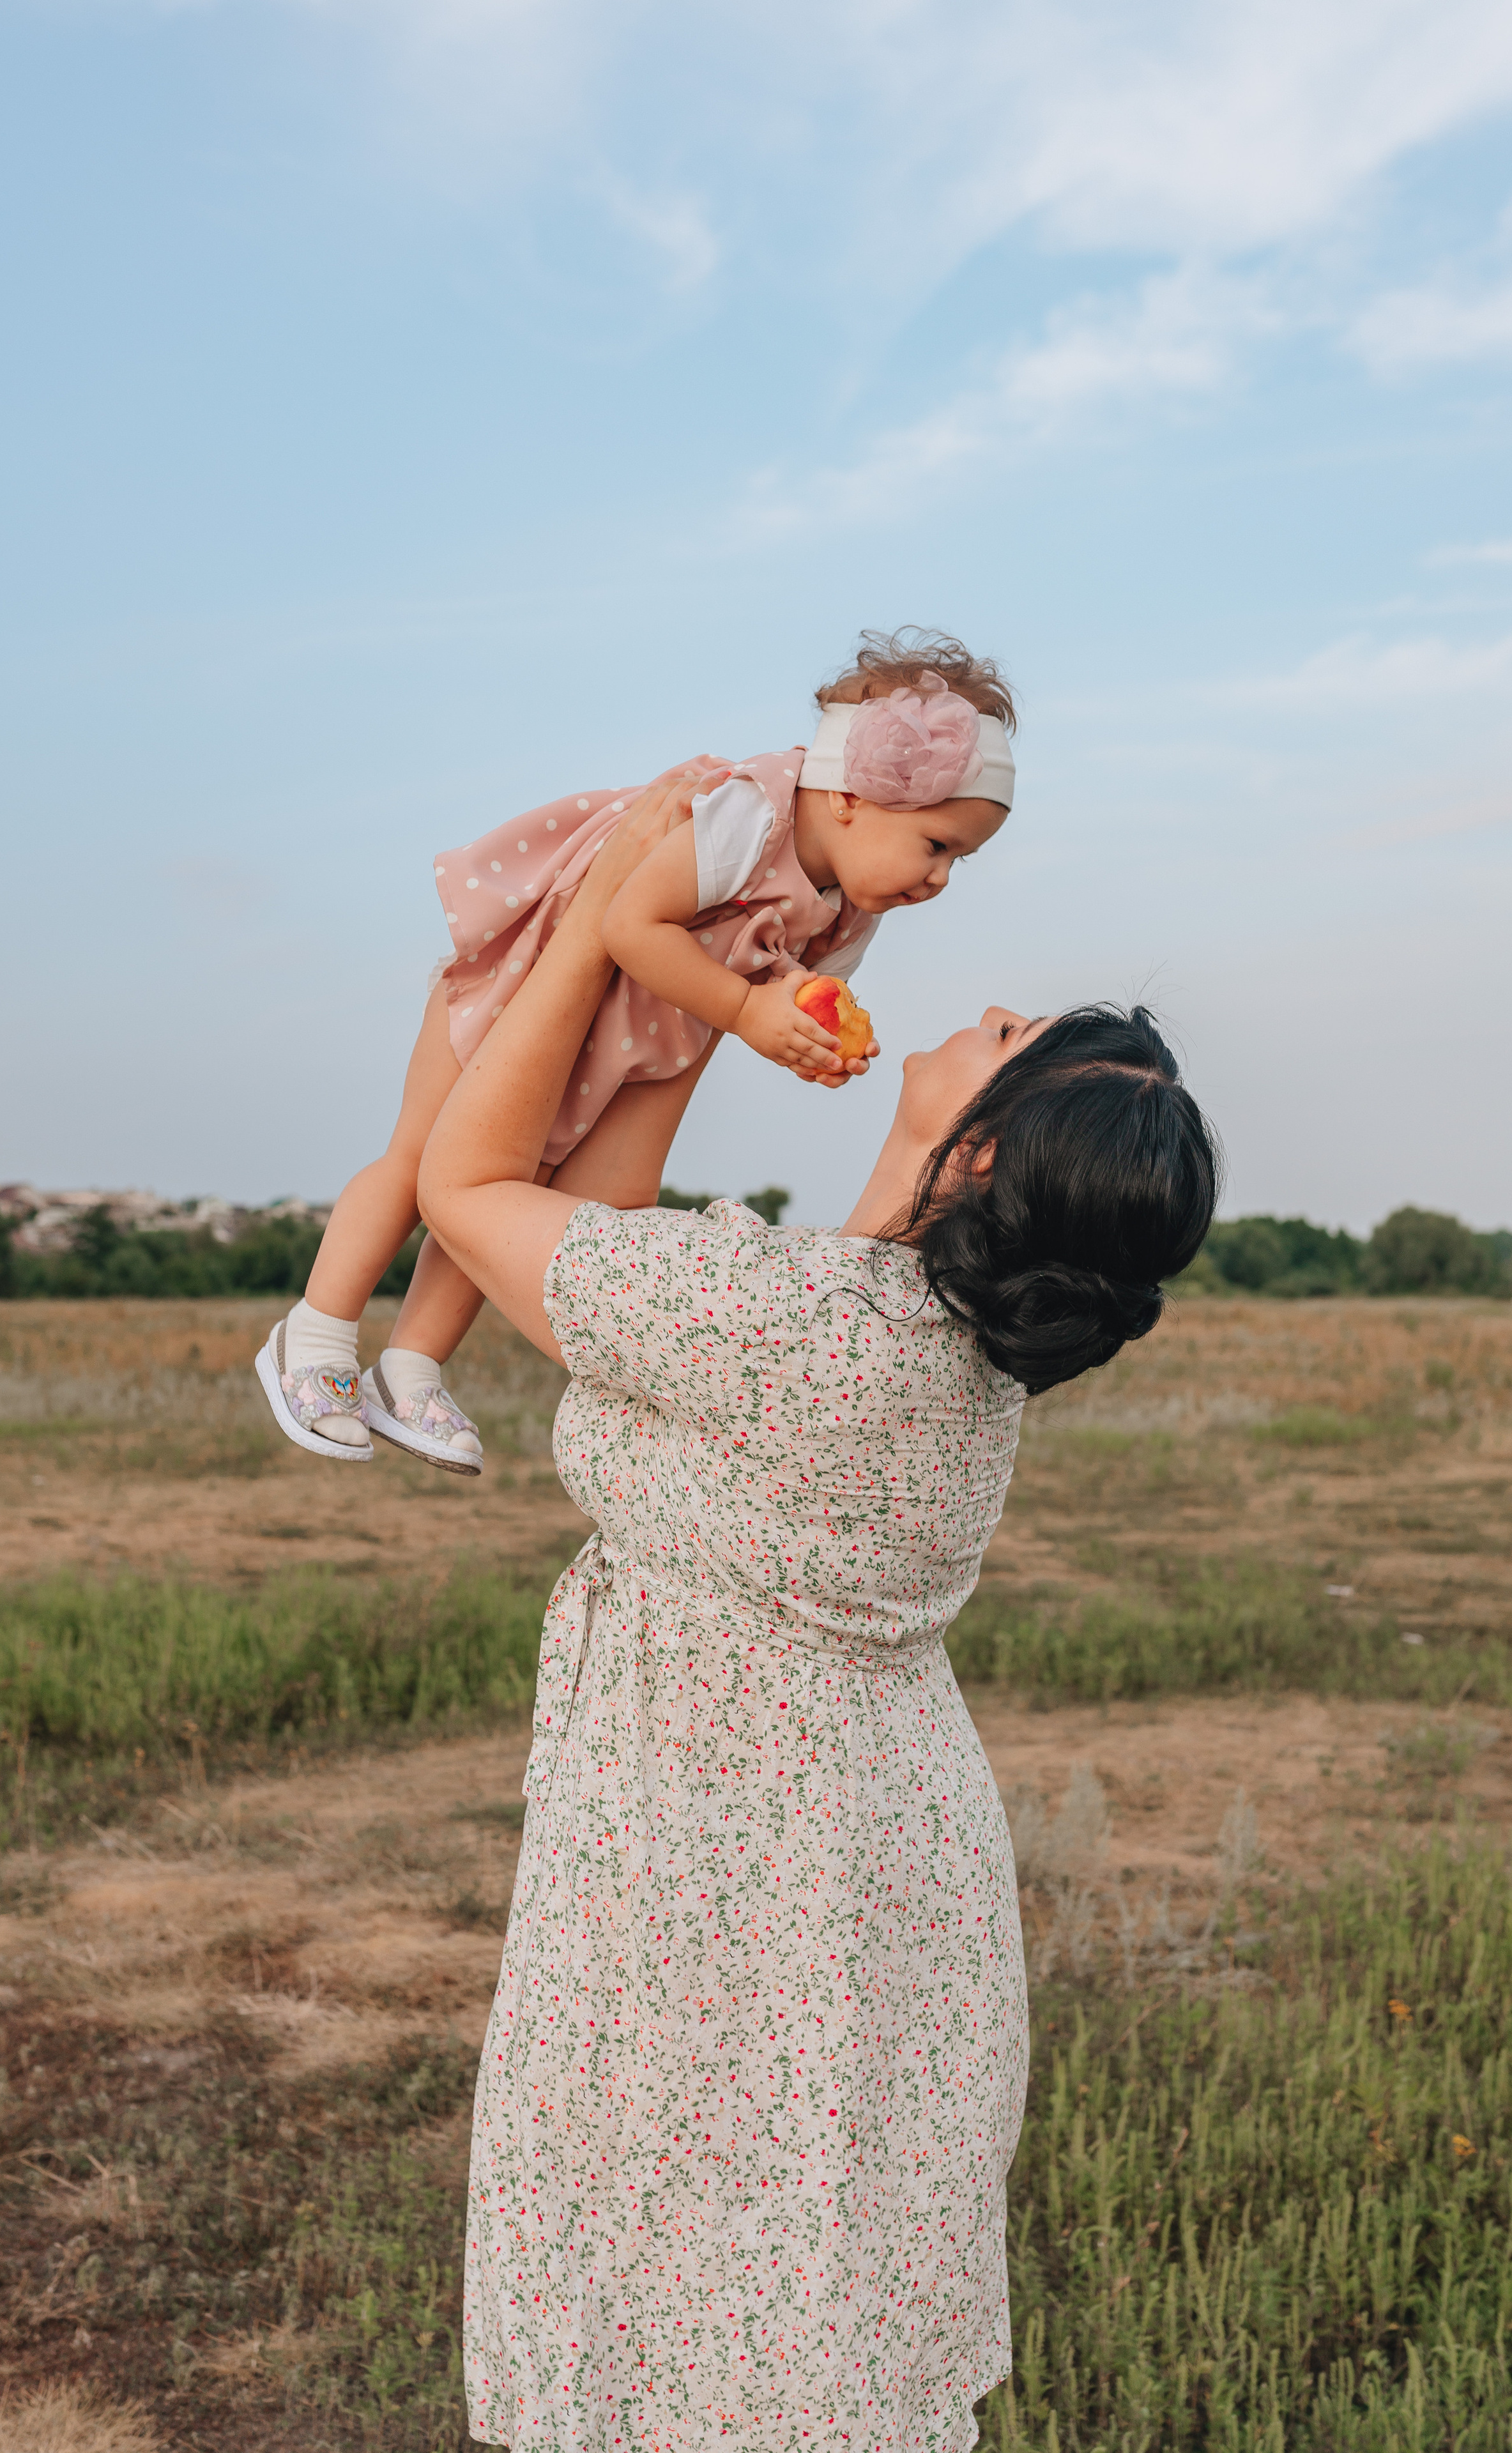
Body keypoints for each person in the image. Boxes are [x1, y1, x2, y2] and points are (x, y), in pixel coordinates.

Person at [415, 790, 1221, 2449]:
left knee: (671, 2273)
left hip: (715, 1853)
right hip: (867, 1842)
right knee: (815, 2271)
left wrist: (603, 925)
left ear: (981, 1148)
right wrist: (708, 996)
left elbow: (473, 1182)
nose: (982, 1008)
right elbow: (635, 1254)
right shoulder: (923, 1342)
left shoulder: (783, 1325)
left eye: (1013, 1034)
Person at [252, 629, 1019, 1479]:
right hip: (531, 985)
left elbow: (791, 990)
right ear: (851, 797)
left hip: (626, 1034)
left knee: (514, 1190)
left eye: (961, 860)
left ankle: (411, 1368)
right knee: (420, 1157)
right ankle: (316, 1333)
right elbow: (627, 922)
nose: (941, 879)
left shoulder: (848, 908)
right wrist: (744, 1009)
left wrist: (807, 1034)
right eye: (937, 846)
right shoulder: (747, 815)